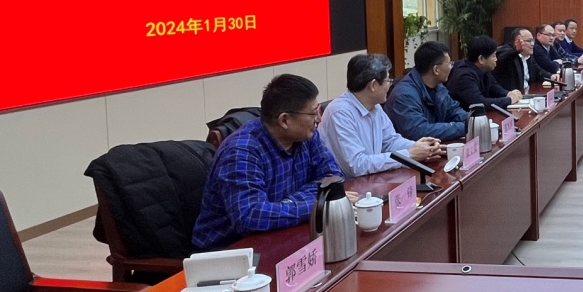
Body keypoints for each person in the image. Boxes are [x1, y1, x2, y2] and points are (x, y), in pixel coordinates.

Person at [193, 74, 346, 249]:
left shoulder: (307, 135)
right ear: (284, 120)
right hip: (230, 252)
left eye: (318, 110)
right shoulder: (241, 152)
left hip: (282, 235)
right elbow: (251, 217)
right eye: (313, 113)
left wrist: (288, 203)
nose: (318, 119)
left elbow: (332, 177)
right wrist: (318, 204)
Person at [318, 54, 444, 177]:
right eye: (388, 80)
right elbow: (356, 165)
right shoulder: (340, 112)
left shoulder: (375, 106)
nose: (390, 84)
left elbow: (390, 141)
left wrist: (421, 148)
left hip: (372, 180)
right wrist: (409, 154)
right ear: (373, 85)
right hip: (348, 186)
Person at [384, 41, 469, 141]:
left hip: (434, 147)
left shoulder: (438, 87)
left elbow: (454, 111)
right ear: (436, 69)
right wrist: (465, 127)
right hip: (410, 149)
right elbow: (419, 131)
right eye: (450, 63)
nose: (451, 67)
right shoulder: (404, 95)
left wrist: (474, 121)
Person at [448, 35, 521, 111]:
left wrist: (508, 93)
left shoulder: (483, 70)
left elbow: (495, 88)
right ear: (481, 59)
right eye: (493, 56)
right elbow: (479, 103)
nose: (496, 59)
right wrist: (509, 100)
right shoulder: (464, 76)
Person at [494, 27, 552, 93]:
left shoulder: (528, 55)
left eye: (532, 40)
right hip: (513, 95)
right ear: (517, 41)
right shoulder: (507, 52)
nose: (532, 44)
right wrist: (516, 51)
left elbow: (538, 71)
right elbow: (502, 59)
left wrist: (551, 76)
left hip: (528, 93)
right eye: (528, 41)